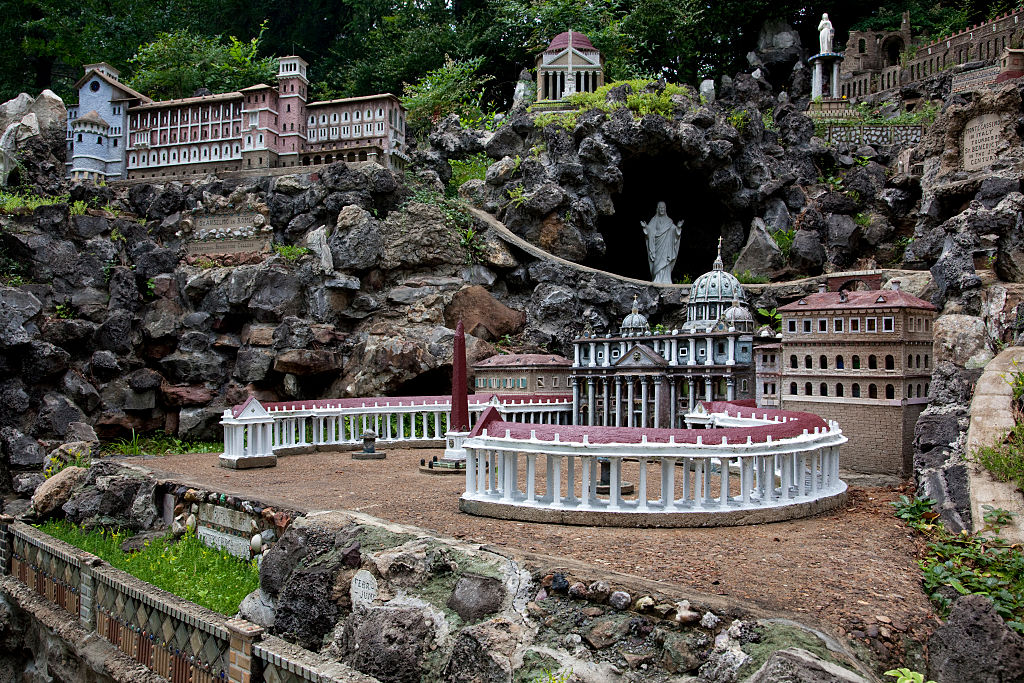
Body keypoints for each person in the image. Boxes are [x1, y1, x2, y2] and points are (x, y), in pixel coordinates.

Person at [640, 202, 683, 284]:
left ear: (665, 209)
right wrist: (645, 227)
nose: (662, 209)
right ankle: (657, 279)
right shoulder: (654, 220)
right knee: (657, 263)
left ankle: (666, 279)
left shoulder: (669, 221)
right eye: (660, 208)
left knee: (666, 263)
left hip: (666, 246)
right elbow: (650, 231)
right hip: (657, 246)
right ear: (657, 209)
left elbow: (674, 232)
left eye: (663, 208)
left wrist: (678, 227)